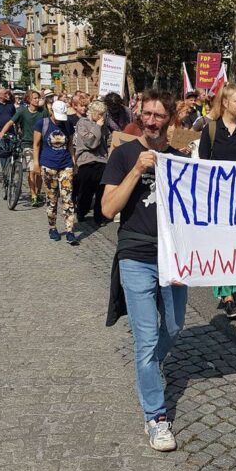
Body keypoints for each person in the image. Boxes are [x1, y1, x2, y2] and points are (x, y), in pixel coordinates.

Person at [101, 89, 186, 452]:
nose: (152, 121)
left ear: (171, 119)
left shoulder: (180, 160)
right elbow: (107, 209)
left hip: (173, 257)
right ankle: (156, 416)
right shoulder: (123, 155)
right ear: (139, 114)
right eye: (147, 114)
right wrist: (137, 170)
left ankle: (151, 369)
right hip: (135, 255)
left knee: (175, 327)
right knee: (147, 340)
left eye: (159, 116)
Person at [199, 82, 236, 318]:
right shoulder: (211, 129)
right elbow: (203, 165)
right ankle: (227, 295)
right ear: (225, 103)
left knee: (234, 244)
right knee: (221, 243)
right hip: (217, 198)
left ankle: (228, 288)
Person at [32, 100, 78, 245]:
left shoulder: (68, 124)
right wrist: (36, 163)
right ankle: (52, 227)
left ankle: (70, 230)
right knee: (52, 199)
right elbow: (36, 144)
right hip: (48, 165)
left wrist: (73, 161)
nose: (59, 119)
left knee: (68, 198)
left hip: (65, 165)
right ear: (51, 111)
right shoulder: (42, 123)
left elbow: (70, 144)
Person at [0, 90, 46, 207]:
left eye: (37, 98)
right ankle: (33, 194)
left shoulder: (43, 112)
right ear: (28, 100)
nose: (37, 100)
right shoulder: (22, 111)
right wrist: (1, 133)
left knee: (39, 171)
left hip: (41, 144)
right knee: (32, 170)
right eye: (34, 98)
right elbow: (10, 122)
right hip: (27, 144)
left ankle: (38, 192)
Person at [74, 100, 110, 225]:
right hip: (86, 159)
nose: (102, 117)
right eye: (99, 114)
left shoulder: (102, 124)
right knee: (86, 190)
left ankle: (99, 216)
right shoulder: (83, 123)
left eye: (103, 114)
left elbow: (106, 140)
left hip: (101, 159)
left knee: (101, 190)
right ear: (93, 113)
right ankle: (81, 211)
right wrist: (97, 127)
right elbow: (91, 143)